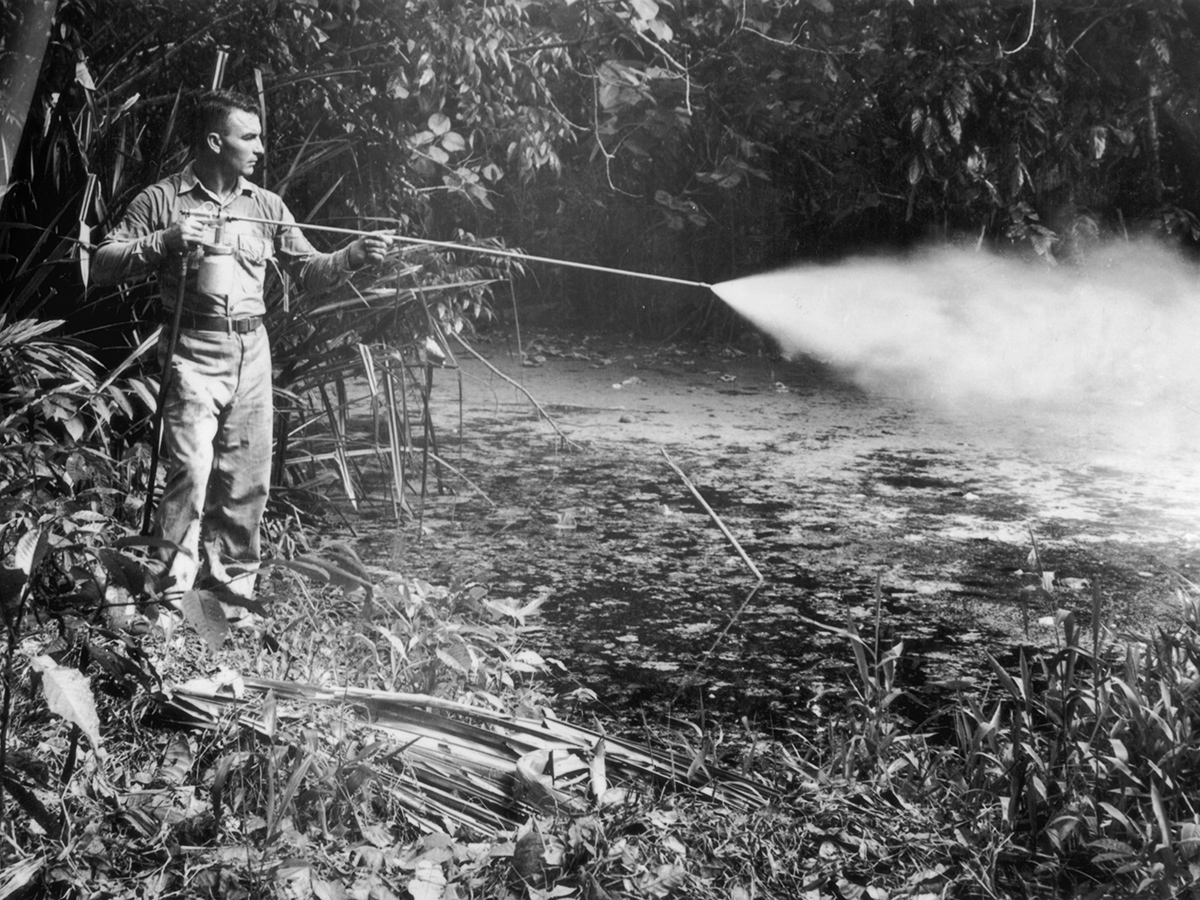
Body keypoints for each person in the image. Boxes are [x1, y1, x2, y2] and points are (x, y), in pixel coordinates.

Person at [92, 89, 388, 615]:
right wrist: (167, 240)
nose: (258, 148)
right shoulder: (163, 199)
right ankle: (166, 600)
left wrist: (353, 255)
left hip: (253, 350)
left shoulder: (266, 205)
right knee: (189, 472)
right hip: (190, 346)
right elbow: (102, 261)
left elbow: (311, 269)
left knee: (248, 481)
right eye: (247, 137)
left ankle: (231, 603)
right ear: (214, 141)